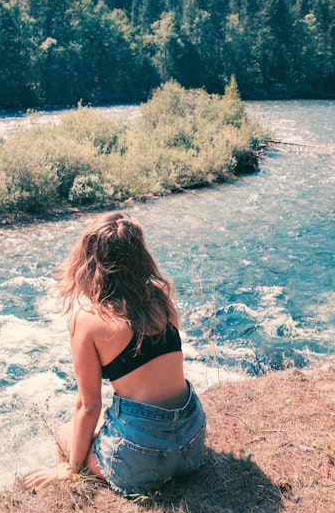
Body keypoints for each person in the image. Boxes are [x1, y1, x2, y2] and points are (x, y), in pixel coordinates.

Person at [23, 211, 206, 495]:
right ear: (141, 257)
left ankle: (70, 494)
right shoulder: (161, 295)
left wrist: (72, 467)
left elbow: (89, 405)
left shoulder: (86, 319)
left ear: (89, 261)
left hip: (145, 458)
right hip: (192, 444)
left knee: (64, 435)